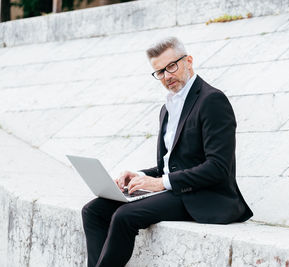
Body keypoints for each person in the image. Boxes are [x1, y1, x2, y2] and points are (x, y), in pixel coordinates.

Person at [81, 36, 253, 267]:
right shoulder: (167, 108)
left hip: (207, 196)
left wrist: (161, 183)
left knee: (124, 216)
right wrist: (139, 175)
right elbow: (167, 166)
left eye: (171, 66)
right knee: (93, 211)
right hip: (178, 191)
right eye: (160, 72)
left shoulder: (212, 100)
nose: (167, 76)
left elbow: (219, 168)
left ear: (189, 61)